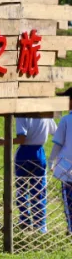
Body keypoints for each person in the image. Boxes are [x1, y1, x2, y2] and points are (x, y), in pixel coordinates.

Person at [0, 116, 57, 232]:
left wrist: (4, 142)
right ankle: (40, 224)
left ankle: (24, 219)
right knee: (39, 189)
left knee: (22, 188)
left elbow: (22, 138)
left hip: (24, 154)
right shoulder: (45, 114)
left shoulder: (22, 114)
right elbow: (56, 132)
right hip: (39, 153)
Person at [49, 98, 72, 235]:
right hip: (67, 169)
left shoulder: (66, 120)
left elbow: (58, 143)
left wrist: (51, 162)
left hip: (67, 169)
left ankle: (70, 229)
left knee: (69, 201)